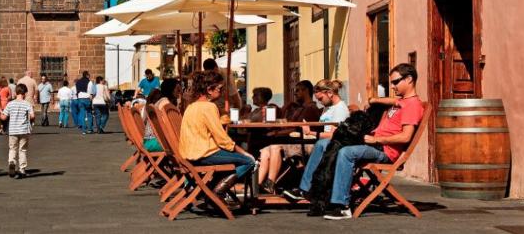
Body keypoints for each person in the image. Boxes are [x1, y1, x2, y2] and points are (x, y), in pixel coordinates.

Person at [284, 63, 425, 219]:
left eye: (395, 82)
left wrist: (376, 139)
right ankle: (305, 189)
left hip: (384, 150)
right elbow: (383, 101)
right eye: (391, 82)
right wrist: (376, 100)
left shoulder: (412, 106)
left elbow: (405, 137)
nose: (392, 86)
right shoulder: (401, 101)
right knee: (323, 143)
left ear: (409, 79)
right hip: (371, 142)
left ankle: (341, 205)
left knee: (346, 152)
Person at [179, 69, 255, 196]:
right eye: (219, 88)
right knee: (249, 161)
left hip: (188, 153)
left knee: (232, 160)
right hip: (204, 153)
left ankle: (209, 188)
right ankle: (216, 191)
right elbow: (222, 138)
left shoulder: (192, 106)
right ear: (209, 90)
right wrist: (243, 152)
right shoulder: (209, 107)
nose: (221, 91)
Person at [255, 80, 332, 194]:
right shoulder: (298, 108)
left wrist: (276, 133)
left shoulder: (310, 108)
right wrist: (287, 107)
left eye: (297, 91)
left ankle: (270, 183)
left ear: (306, 91)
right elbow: (288, 122)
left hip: (305, 142)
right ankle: (257, 186)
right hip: (296, 140)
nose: (295, 93)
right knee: (266, 150)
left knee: (274, 147)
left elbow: (298, 128)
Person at [0, 83, 34, 179]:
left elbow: (4, 117)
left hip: (13, 130)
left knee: (12, 148)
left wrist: (0, 113)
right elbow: (32, 116)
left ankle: (12, 162)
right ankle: (22, 169)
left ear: (16, 92)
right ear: (25, 93)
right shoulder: (27, 104)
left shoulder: (10, 104)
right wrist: (31, 122)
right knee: (22, 150)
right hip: (24, 130)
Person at [140, 77, 181, 152]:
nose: (179, 92)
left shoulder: (161, 101)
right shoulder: (166, 104)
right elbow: (171, 127)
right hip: (158, 143)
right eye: (178, 89)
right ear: (171, 90)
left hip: (150, 141)